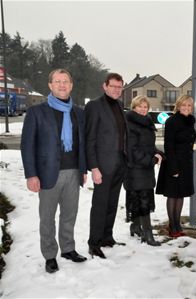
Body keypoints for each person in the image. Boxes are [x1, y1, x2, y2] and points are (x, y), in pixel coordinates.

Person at [21, 69, 87, 273]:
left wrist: (83, 169)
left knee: (69, 215)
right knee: (47, 217)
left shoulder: (78, 112)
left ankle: (68, 249)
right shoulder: (36, 112)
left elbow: (81, 144)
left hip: (73, 172)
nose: (62, 85)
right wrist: (31, 174)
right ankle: (50, 255)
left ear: (71, 85)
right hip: (47, 174)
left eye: (65, 81)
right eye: (57, 81)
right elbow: (27, 145)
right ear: (50, 85)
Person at [85, 73, 128, 259]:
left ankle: (106, 237)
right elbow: (90, 139)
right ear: (105, 86)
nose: (116, 90)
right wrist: (94, 167)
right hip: (102, 166)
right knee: (100, 205)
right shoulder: (94, 106)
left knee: (112, 203)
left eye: (119, 87)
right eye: (113, 86)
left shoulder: (119, 105)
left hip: (119, 164)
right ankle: (94, 243)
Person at [124, 96, 163, 246]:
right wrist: (151, 160)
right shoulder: (130, 124)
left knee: (139, 200)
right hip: (135, 168)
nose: (143, 109)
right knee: (144, 200)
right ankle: (147, 234)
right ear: (134, 107)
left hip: (144, 168)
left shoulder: (147, 123)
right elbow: (132, 150)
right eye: (140, 106)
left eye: (145, 107)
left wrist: (159, 153)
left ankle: (135, 226)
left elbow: (148, 146)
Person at [156, 95, 196, 238]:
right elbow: (169, 146)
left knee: (181, 194)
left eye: (189, 105)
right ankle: (172, 226)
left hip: (185, 163)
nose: (186, 108)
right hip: (174, 163)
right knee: (173, 195)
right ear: (178, 106)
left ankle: (177, 223)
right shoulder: (172, 121)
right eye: (184, 105)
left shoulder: (190, 121)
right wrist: (173, 168)